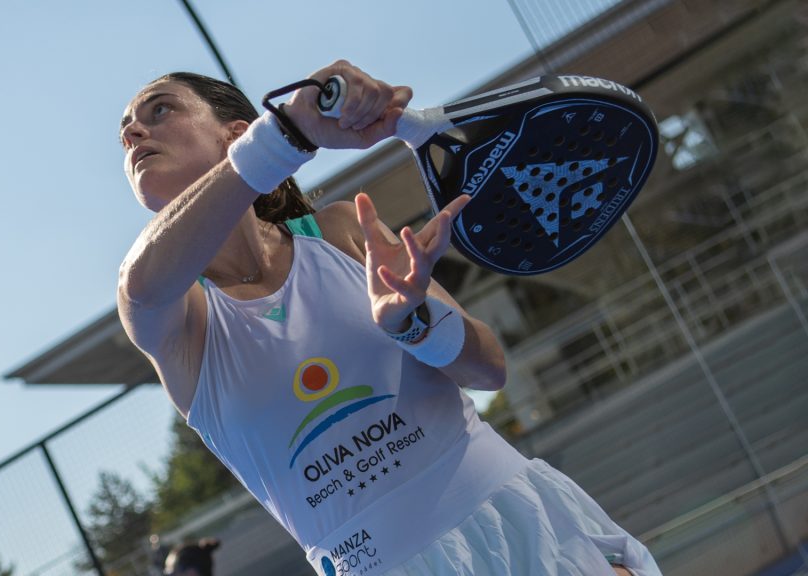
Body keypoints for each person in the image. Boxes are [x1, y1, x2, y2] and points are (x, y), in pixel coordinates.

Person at [117, 60, 661, 576]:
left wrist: (416, 322)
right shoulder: (171, 311)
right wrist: (288, 132)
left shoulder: (338, 231)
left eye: (159, 110)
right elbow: (142, 283)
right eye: (126, 130)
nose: (134, 134)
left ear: (235, 133)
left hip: (520, 522)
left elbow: (488, 369)